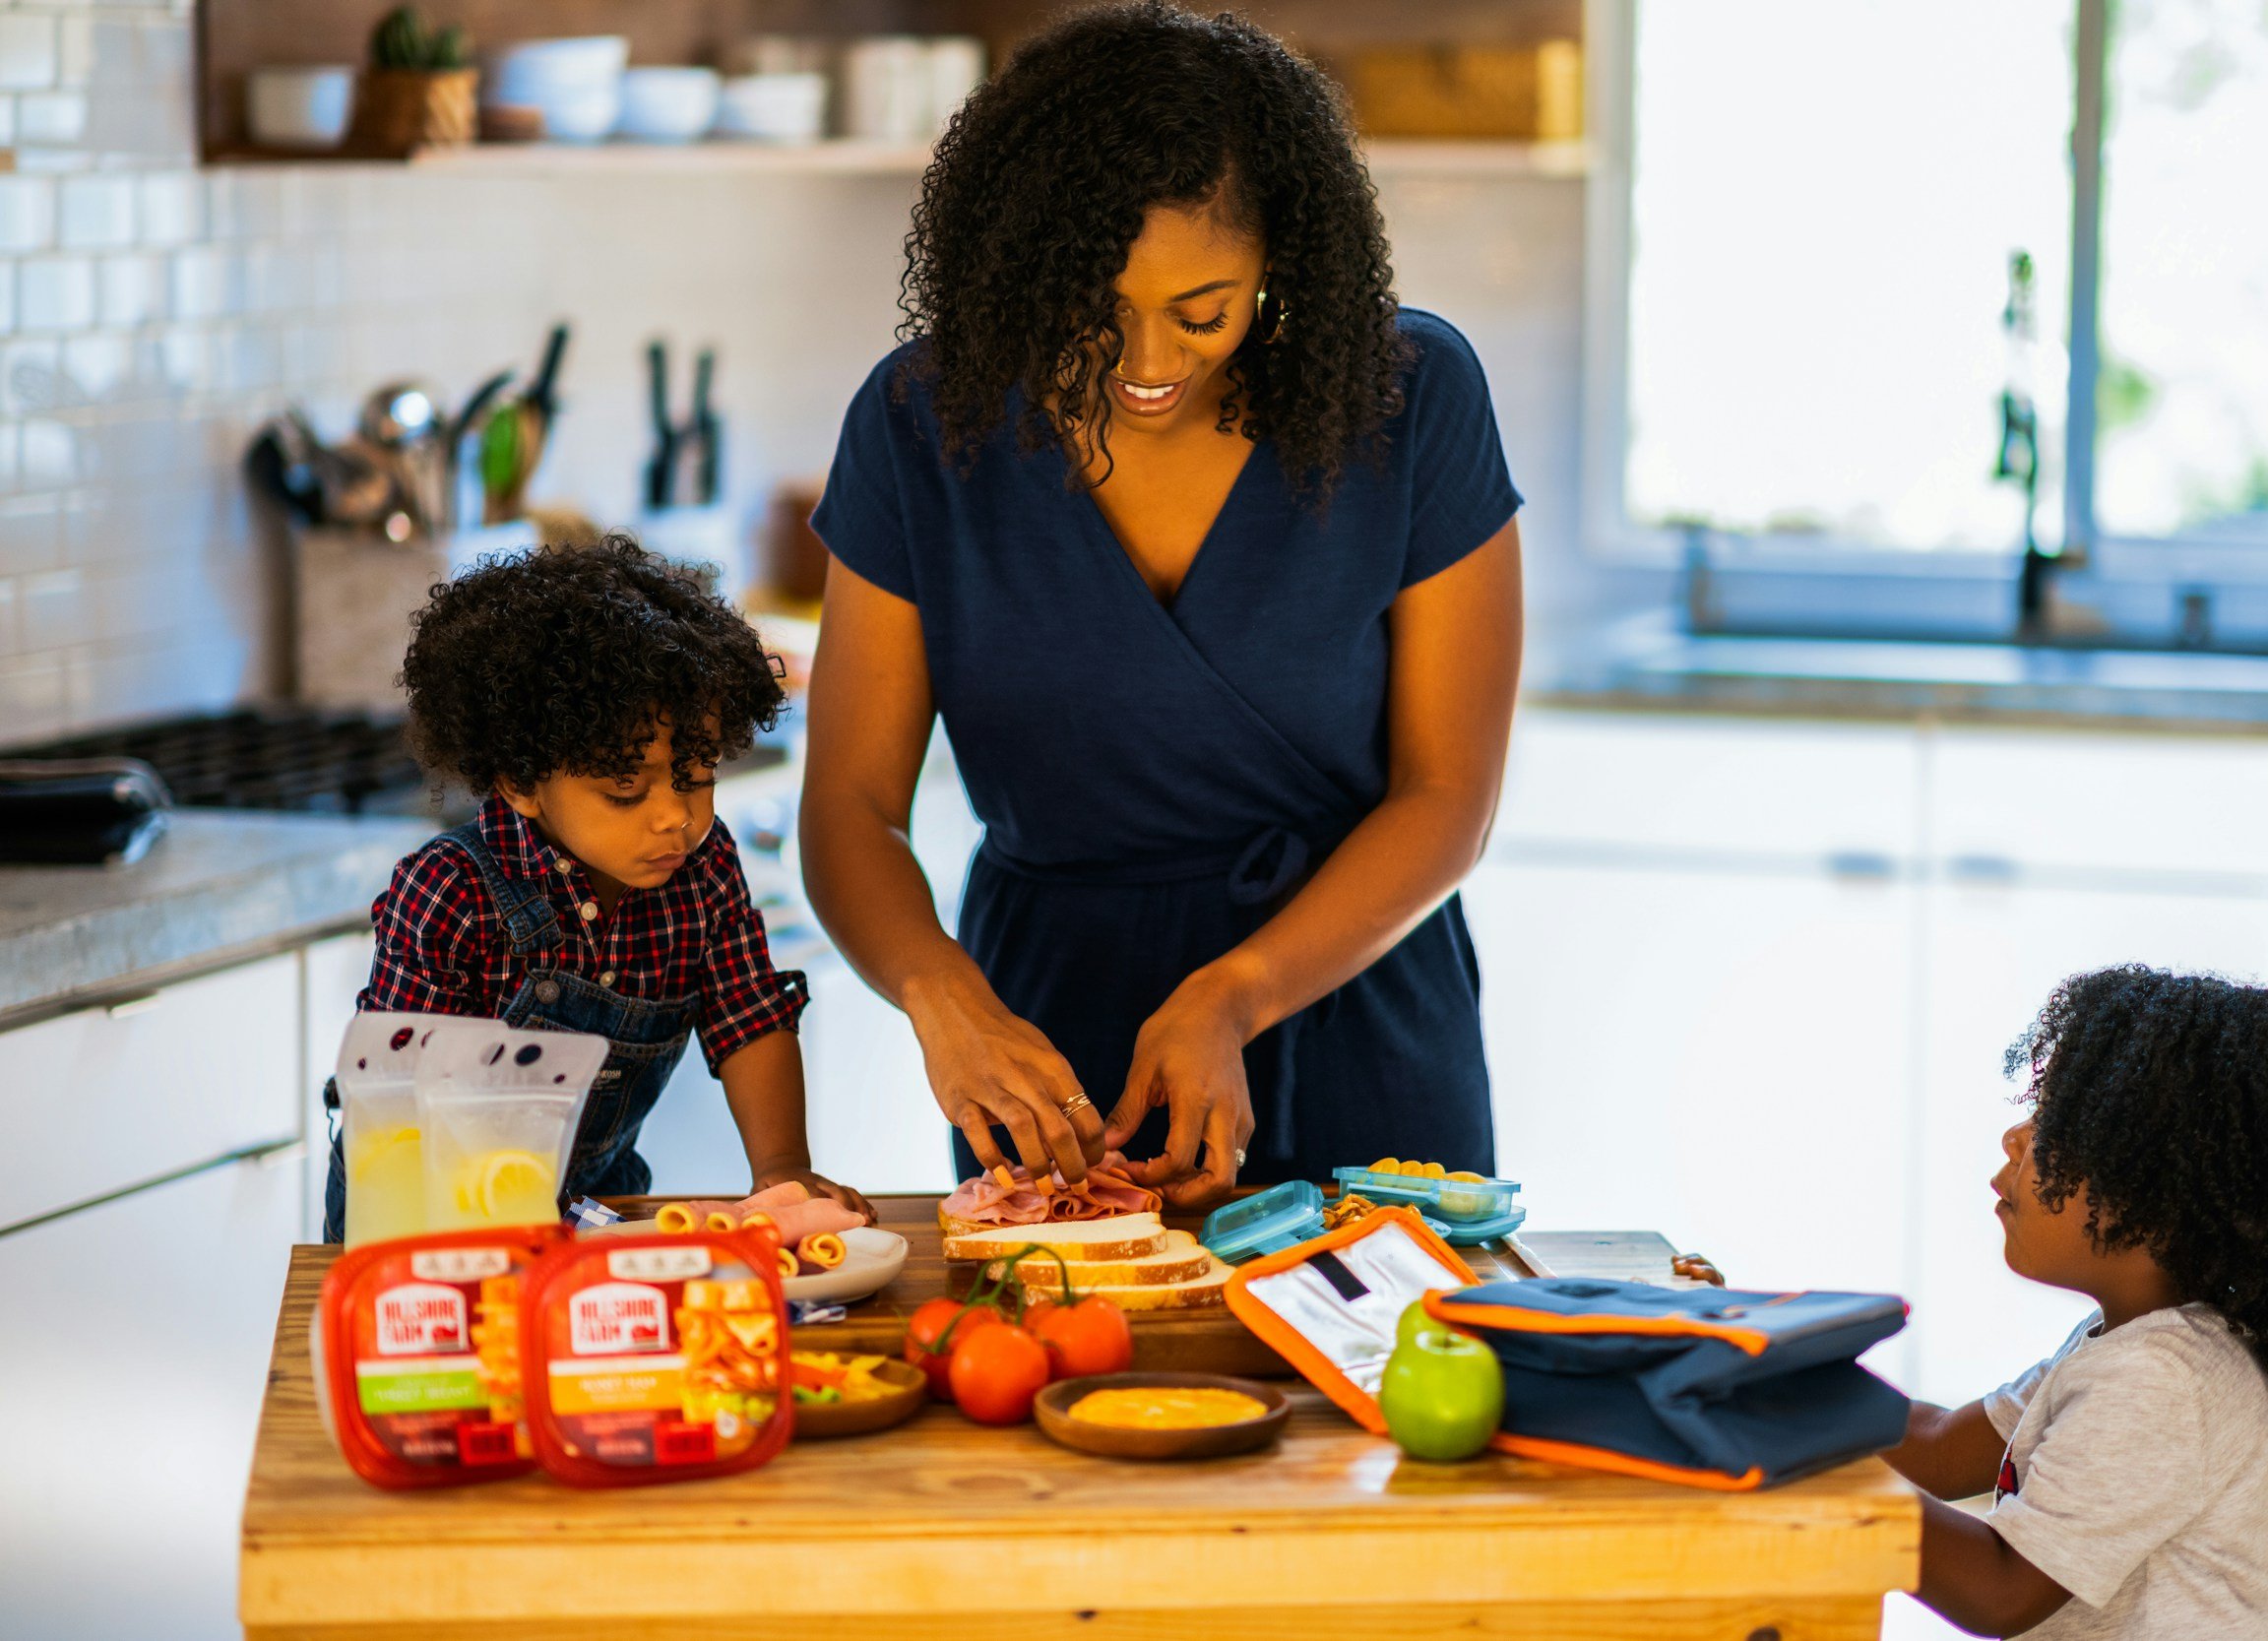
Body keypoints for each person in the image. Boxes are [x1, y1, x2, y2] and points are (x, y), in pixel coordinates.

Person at [801, 2, 1523, 1208]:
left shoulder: (1412, 400)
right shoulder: (922, 424)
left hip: (1352, 1010)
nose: (1147, 361)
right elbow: (851, 803)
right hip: (1049, 1038)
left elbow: (1448, 795)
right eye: (1095, 310)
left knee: (1379, 1387)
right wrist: (944, 998)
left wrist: (1233, 993)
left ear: (1280, 263)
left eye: (1204, 311)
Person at [323, 536, 870, 1240]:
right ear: (521, 781)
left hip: (596, 1208)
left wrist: (782, 1167)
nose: (676, 815)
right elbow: (398, 1107)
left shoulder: (704, 869)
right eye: (625, 790)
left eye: (696, 775)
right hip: (424, 1215)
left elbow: (750, 1017)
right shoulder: (449, 891)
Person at [1885, 966, 2268, 1638]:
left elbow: (2000, 1588)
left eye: (2059, 1122)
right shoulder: (2124, 1344)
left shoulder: (2163, 1377)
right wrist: (1764, 1376)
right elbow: (1939, 1445)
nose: (2017, 1137)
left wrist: (1845, 1504)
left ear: (2158, 1188)